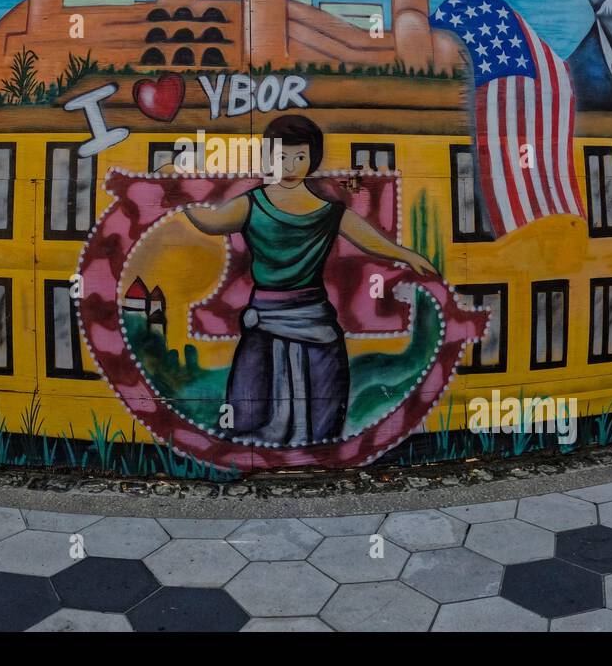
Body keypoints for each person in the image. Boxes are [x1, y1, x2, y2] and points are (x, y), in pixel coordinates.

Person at [181, 114, 438, 446]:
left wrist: (406, 255)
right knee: (250, 404)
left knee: (322, 405)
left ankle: (311, 449)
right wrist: (175, 197)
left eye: (299, 157)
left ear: (313, 159)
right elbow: (212, 221)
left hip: (312, 316)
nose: (290, 165)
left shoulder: (328, 212)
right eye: (281, 156)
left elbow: (370, 240)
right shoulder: (252, 204)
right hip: (266, 319)